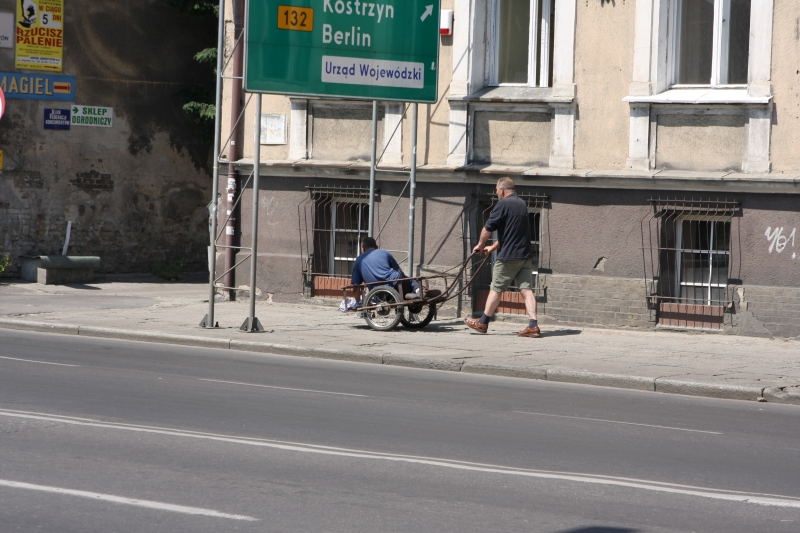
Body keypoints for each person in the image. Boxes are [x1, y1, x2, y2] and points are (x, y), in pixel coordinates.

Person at [465, 177, 541, 338]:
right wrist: (493, 247)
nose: (496, 193)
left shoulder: (503, 204)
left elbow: (488, 228)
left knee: (496, 288)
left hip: (509, 257)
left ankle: (483, 322)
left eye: (496, 190)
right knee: (526, 289)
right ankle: (533, 325)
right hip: (525, 256)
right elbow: (512, 232)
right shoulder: (521, 204)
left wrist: (480, 244)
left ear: (502, 190)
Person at [352, 237, 420, 300]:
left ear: (363, 248)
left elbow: (356, 285)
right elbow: (399, 270)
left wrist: (357, 300)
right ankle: (417, 291)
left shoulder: (358, 260)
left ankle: (407, 295)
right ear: (376, 247)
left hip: (378, 294)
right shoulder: (384, 252)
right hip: (395, 285)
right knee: (410, 280)